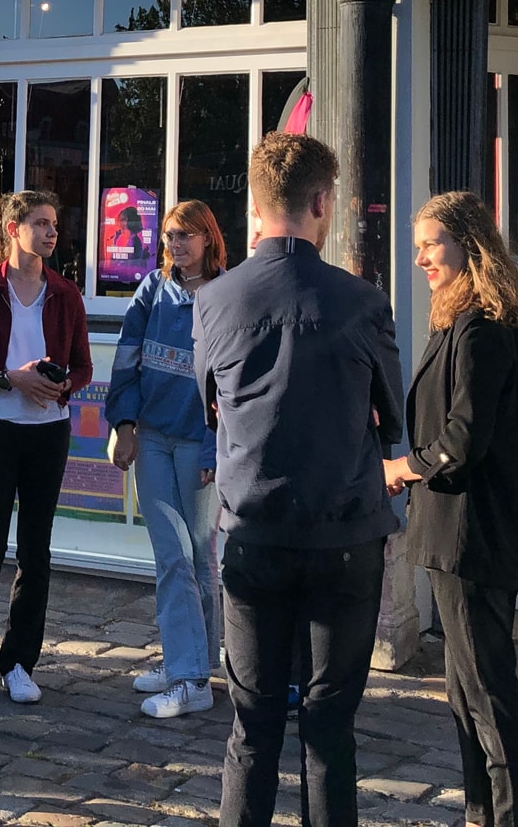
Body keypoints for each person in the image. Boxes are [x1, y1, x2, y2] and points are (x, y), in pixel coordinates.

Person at [195, 132, 406, 827]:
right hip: (344, 531)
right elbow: (394, 418)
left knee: (252, 728)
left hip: (253, 528)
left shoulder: (214, 299)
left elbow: (210, 405)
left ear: (256, 209)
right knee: (330, 727)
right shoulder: (362, 301)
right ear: (321, 204)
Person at [391, 193, 518, 827]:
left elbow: (462, 440)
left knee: (487, 692)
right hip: (453, 532)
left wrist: (404, 467)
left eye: (432, 244)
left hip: (472, 536)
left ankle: (511, 817)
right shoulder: (457, 322)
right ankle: (481, 811)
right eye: (418, 245)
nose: (420, 257)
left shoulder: (481, 327)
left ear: (469, 246)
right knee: (462, 690)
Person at [0, 190, 93, 706]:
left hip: (49, 433)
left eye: (54, 223)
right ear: (13, 229)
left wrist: (62, 384)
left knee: (36, 552)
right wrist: (10, 379)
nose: (52, 232)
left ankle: (20, 663)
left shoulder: (66, 293)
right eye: (41, 223)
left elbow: (83, 366)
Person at [107, 197, 225, 720]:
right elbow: (126, 360)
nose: (176, 244)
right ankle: (188, 666)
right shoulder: (152, 290)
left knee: (199, 557)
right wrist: (123, 425)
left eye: (185, 235)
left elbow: (230, 385)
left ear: (208, 238)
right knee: (172, 554)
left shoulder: (225, 295)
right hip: (153, 438)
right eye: (170, 236)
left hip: (199, 443)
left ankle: (194, 669)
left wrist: (215, 446)